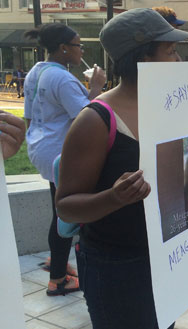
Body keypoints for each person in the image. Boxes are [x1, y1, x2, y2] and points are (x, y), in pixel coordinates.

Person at [55, 8, 188, 329]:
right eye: (170, 52)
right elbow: (66, 204)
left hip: (167, 256)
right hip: (117, 266)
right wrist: (114, 198)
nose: (178, 60)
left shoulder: (171, 106)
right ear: (143, 56)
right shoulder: (97, 119)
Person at [23, 22, 106, 296]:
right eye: (78, 45)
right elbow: (88, 116)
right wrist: (96, 86)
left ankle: (56, 263)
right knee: (66, 215)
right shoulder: (62, 78)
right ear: (64, 48)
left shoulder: (37, 71)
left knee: (58, 209)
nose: (81, 50)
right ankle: (58, 279)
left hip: (42, 147)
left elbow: (29, 116)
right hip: (61, 153)